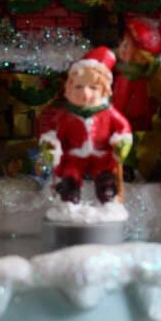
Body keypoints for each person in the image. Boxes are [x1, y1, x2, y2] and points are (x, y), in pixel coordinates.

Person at [39, 47, 133, 206]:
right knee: (69, 182)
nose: (86, 94)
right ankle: (69, 201)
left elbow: (123, 128)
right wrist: (50, 143)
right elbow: (51, 130)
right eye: (79, 87)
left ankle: (108, 201)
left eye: (93, 88)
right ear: (68, 88)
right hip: (73, 158)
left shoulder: (108, 113)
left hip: (102, 158)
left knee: (106, 182)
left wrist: (122, 141)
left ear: (105, 90)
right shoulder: (65, 115)